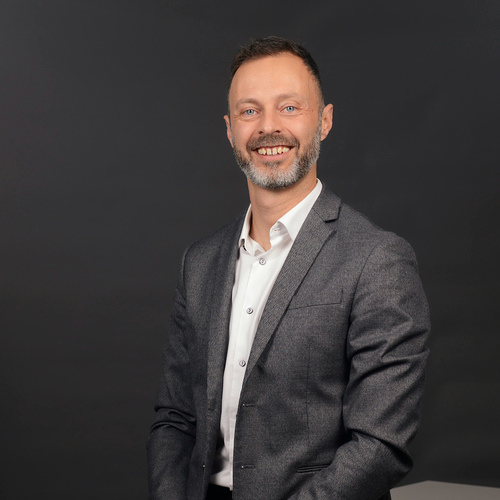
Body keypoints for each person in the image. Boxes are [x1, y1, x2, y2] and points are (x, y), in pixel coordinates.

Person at [147, 36, 430, 500]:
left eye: (290, 108)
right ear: (230, 129)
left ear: (324, 121)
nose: (268, 127)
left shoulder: (377, 260)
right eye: (250, 111)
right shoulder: (199, 263)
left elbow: (380, 445)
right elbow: (175, 419)